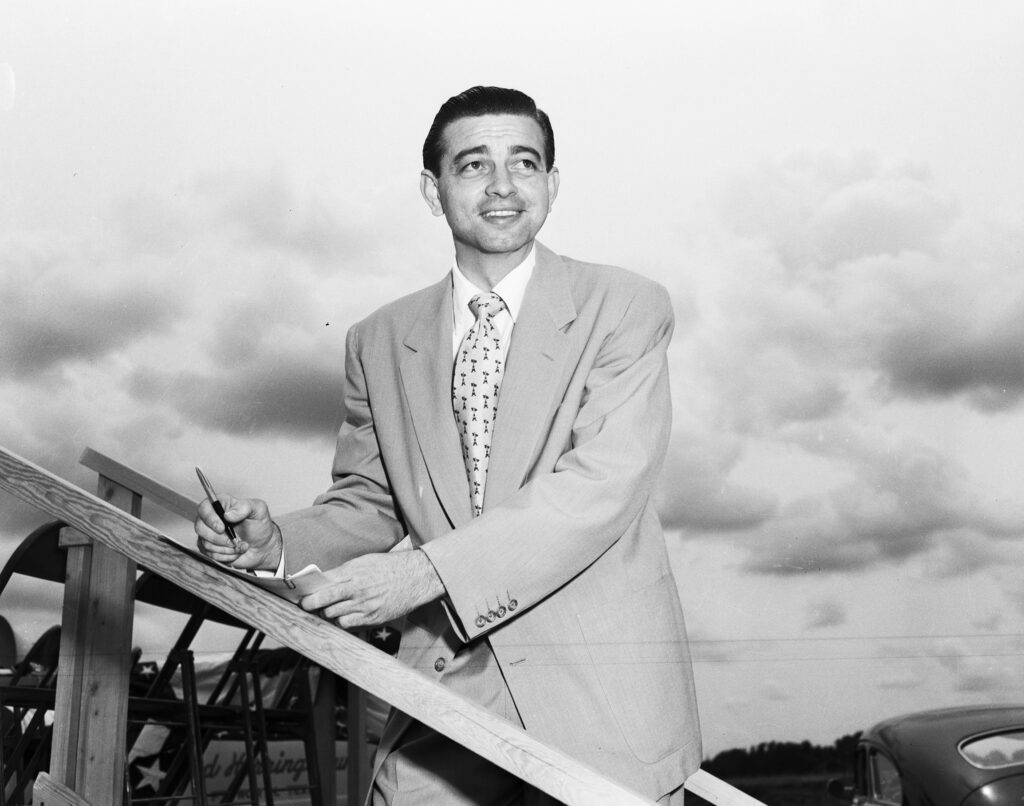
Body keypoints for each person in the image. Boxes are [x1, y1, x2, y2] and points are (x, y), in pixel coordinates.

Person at [195, 85, 701, 805]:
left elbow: (600, 487)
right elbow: (367, 504)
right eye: (473, 166)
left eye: (523, 163)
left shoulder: (627, 306)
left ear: (552, 185)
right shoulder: (376, 341)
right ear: (433, 192)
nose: (502, 186)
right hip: (446, 695)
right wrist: (275, 542)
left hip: (602, 696)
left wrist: (421, 574)